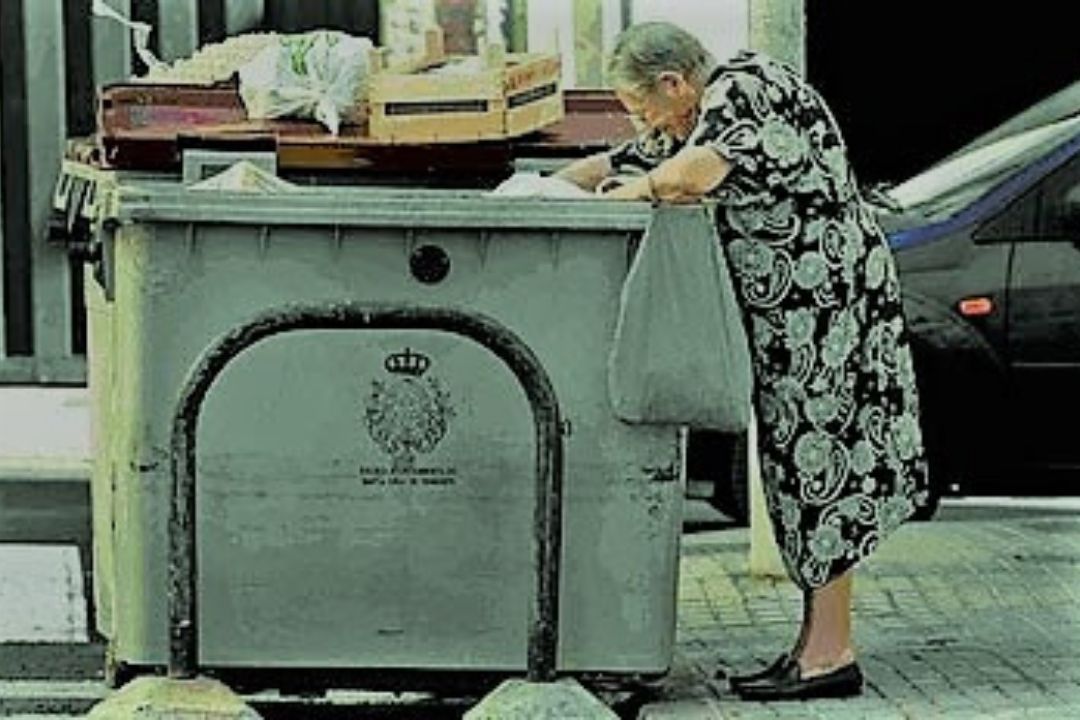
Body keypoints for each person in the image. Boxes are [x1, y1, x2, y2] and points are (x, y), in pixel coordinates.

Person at [557, 22, 930, 701]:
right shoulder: (697, 114)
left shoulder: (747, 90)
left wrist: (631, 196)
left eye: (638, 103)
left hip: (828, 322)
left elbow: (687, 178)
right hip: (796, 328)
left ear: (673, 83)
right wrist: (543, 195)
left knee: (823, 474)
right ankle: (814, 648)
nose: (637, 118)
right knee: (796, 474)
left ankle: (829, 656)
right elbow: (627, 160)